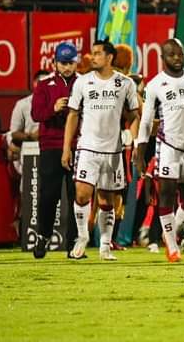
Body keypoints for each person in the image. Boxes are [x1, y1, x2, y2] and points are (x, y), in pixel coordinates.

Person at [133, 40, 184, 263]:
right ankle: (171, 246)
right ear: (163, 58)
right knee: (166, 194)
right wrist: (140, 151)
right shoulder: (155, 85)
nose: (177, 58)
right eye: (171, 55)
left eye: (180, 54)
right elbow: (147, 121)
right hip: (167, 146)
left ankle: (172, 234)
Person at [63, 40, 140, 260]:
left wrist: (131, 138)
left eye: (97, 53)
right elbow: (72, 115)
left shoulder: (125, 84)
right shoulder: (82, 83)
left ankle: (105, 245)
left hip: (113, 151)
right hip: (87, 147)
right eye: (92, 53)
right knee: (82, 193)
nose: (92, 57)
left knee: (107, 200)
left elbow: (134, 115)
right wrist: (66, 149)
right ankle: (82, 237)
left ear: (109, 58)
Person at [31, 43, 79, 258]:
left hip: (78, 145)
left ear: (76, 62)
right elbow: (36, 114)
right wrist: (53, 108)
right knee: (49, 195)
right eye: (63, 63)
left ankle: (73, 244)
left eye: (70, 62)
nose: (67, 67)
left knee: (75, 196)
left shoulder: (84, 83)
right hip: (51, 145)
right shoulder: (43, 85)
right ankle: (42, 237)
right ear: (55, 63)